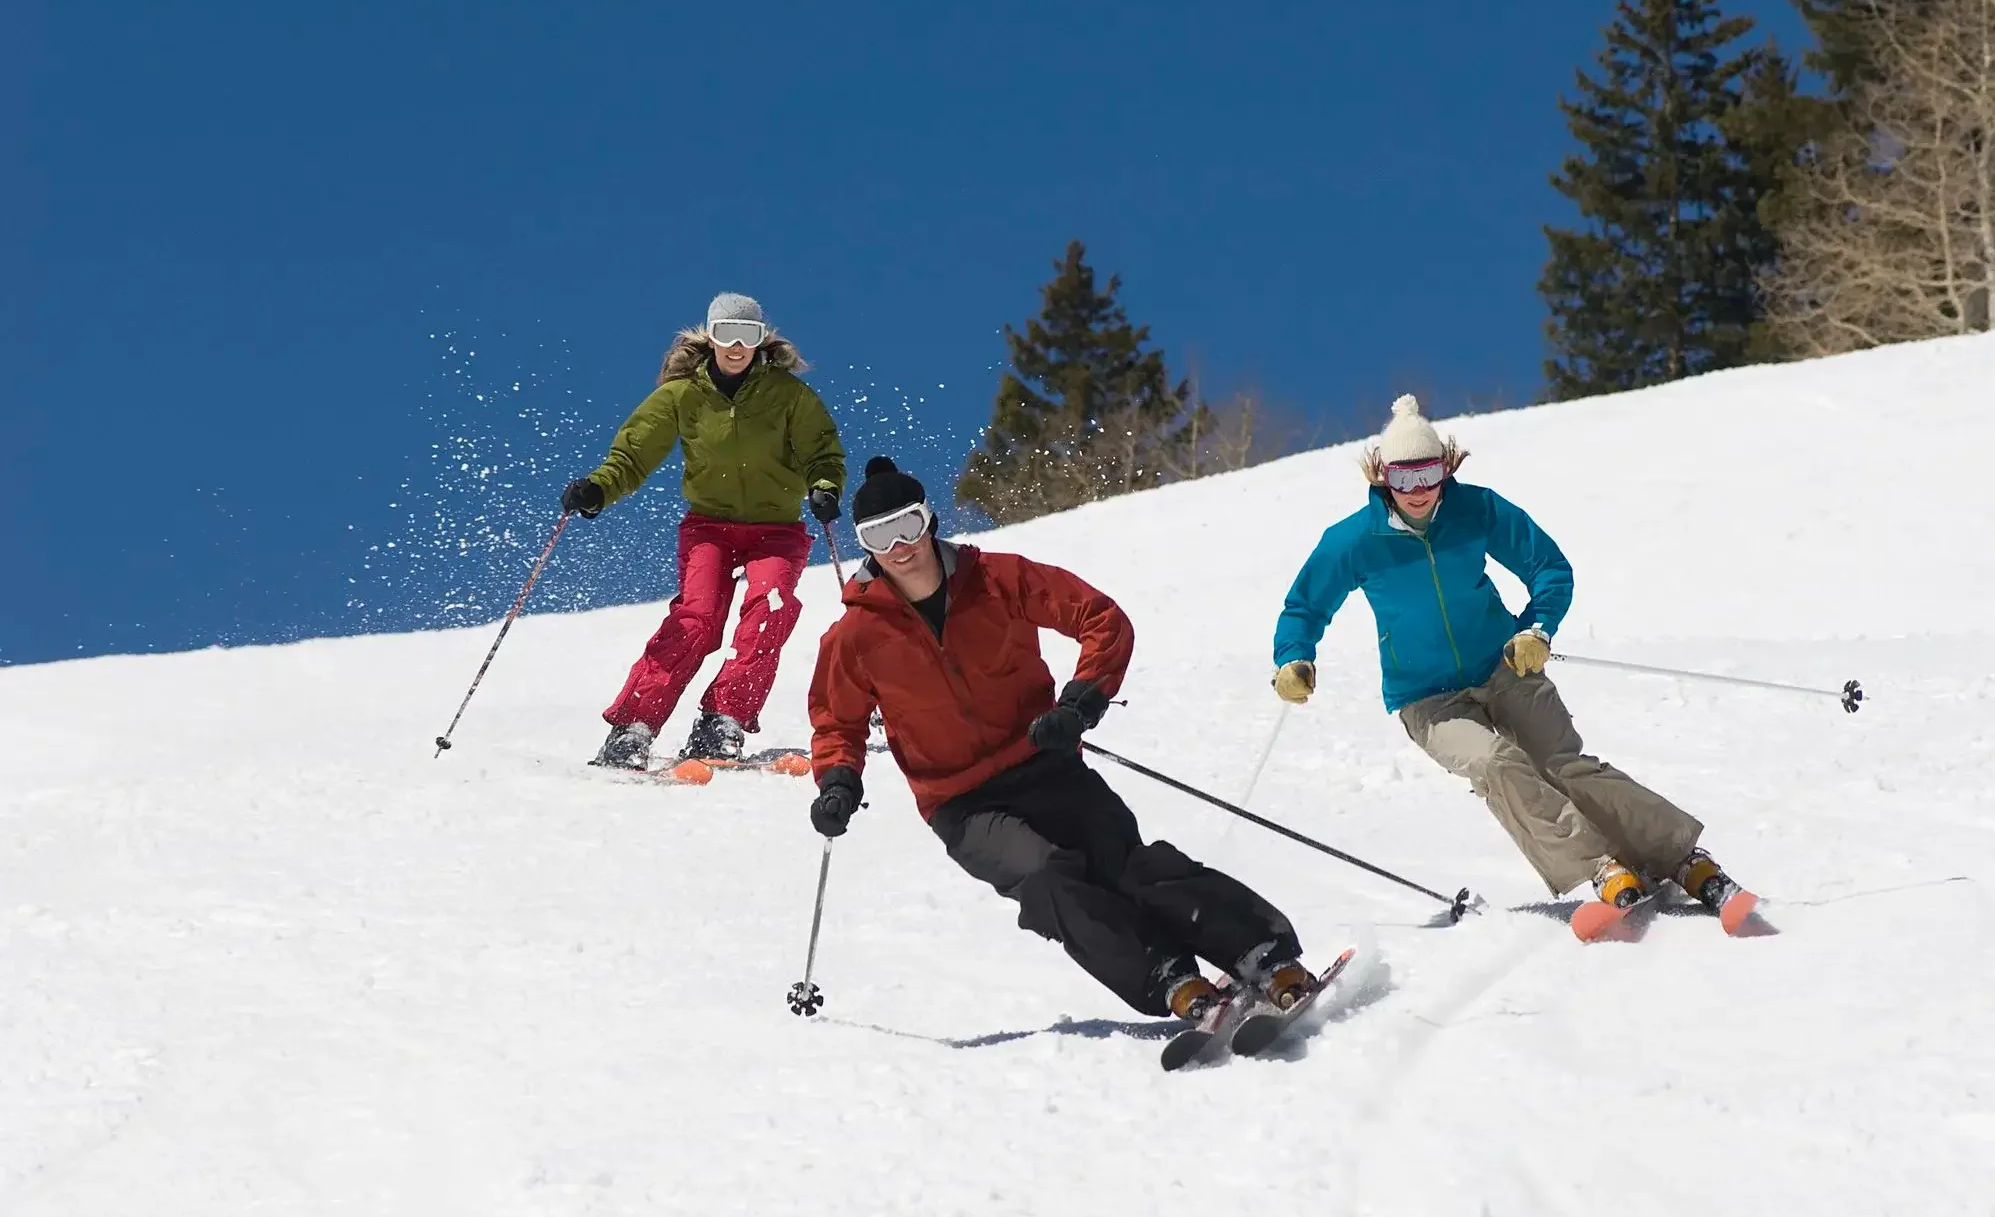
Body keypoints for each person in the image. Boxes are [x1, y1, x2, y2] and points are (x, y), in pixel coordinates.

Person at [807, 457, 1313, 1022]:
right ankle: (1168, 976)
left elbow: (1100, 617)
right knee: (1047, 877)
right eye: (879, 535)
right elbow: (835, 720)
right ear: (863, 545)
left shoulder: (998, 578)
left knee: (1129, 866)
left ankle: (1261, 953)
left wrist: (1081, 703)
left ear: (930, 520)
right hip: (961, 802)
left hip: (1044, 763)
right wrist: (838, 781)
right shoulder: (855, 635)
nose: (899, 545)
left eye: (908, 525)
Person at [1268, 395, 1755, 929]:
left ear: (1445, 468)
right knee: (1496, 764)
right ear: (1383, 478)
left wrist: (1535, 628)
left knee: (1565, 766)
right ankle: (1601, 866)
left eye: (1429, 473)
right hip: (1425, 696)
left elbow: (1548, 567)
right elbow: (1305, 606)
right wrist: (1294, 658)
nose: (1419, 491)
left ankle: (1684, 858)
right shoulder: (1353, 542)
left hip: (1504, 665)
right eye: (1404, 478)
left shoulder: (1477, 510)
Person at [562, 293, 847, 769]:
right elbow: (633, 456)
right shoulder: (682, 395)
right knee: (697, 617)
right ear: (709, 337)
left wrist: (823, 487)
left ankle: (724, 720)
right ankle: (634, 724)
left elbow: (824, 454)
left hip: (775, 528)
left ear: (762, 340)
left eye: (748, 336)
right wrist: (598, 489)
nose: (737, 346)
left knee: (770, 608)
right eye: (726, 335)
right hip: (709, 527)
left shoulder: (789, 396)